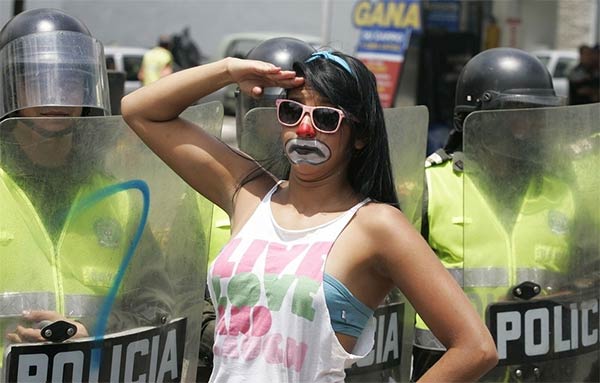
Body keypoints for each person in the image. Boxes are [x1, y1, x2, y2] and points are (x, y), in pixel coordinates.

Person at [122, 46, 498, 380]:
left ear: (360, 135)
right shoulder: (249, 193)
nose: (305, 128)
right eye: (292, 110)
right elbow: (140, 111)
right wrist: (228, 70)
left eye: (327, 119)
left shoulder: (376, 225)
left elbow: (475, 348)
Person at [0, 7, 174, 374]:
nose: (55, 95)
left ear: (88, 87)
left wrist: (91, 331)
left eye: (68, 80)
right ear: (10, 85)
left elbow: (157, 310)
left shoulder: (122, 199)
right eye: (38, 78)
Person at [412, 48, 596, 382]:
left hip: (544, 371)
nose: (529, 127)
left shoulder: (562, 193)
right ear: (475, 116)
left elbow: (585, 281)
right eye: (516, 112)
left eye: (536, 115)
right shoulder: (429, 187)